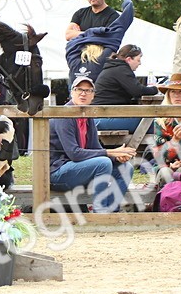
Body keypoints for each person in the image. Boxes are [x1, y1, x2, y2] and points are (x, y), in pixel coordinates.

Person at [49, 74, 136, 213]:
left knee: (126, 168)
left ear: (93, 96)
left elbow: (96, 148)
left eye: (88, 90)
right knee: (103, 163)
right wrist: (110, 152)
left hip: (79, 169)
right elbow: (74, 154)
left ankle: (110, 212)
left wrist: (117, 157)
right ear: (72, 92)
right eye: (79, 89)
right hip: (57, 173)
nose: (83, 93)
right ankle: (99, 213)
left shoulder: (87, 115)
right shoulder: (64, 115)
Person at [65, 0, 136, 83]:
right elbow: (120, 30)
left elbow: (71, 43)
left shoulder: (73, 59)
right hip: (96, 94)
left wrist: (82, 34)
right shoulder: (102, 59)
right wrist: (127, 3)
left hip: (76, 94)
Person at [93, 44, 158, 133]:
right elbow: (137, 90)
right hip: (103, 119)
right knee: (154, 124)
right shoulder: (121, 69)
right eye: (138, 60)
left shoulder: (114, 68)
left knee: (149, 122)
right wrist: (156, 89)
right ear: (128, 59)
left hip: (100, 116)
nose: (140, 63)